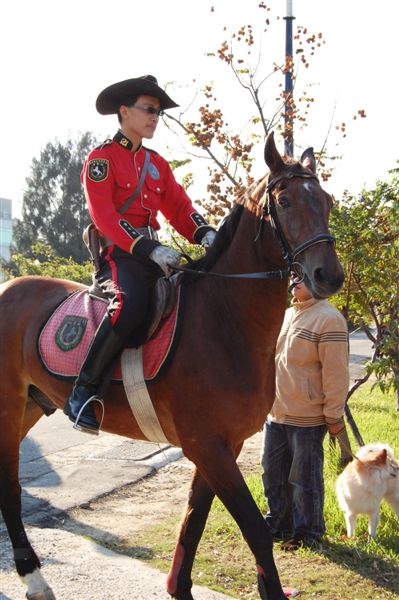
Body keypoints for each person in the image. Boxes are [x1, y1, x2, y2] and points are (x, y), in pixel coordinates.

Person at [64, 75, 216, 435]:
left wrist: (206, 232)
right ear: (124, 111)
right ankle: (83, 390)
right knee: (129, 305)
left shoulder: (156, 163)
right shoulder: (102, 159)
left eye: (158, 112)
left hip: (157, 254)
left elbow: (179, 207)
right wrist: (147, 247)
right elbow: (105, 217)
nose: (155, 117)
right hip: (122, 255)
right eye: (149, 109)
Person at [261, 273, 351, 550]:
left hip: (308, 418)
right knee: (271, 472)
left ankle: (308, 532)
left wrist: (333, 416)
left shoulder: (329, 318)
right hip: (276, 413)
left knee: (303, 479)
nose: (294, 281)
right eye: (293, 276)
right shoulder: (288, 314)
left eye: (301, 277)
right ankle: (278, 524)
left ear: (316, 283)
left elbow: (336, 374)